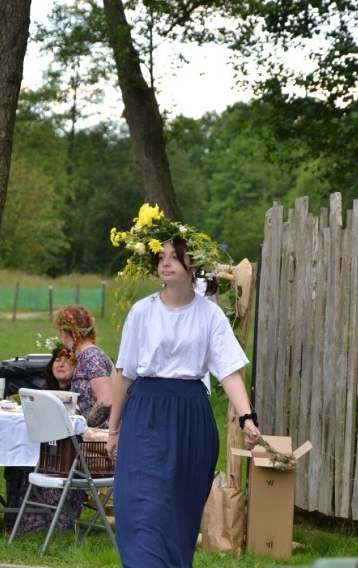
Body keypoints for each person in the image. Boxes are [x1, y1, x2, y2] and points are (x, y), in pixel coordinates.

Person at [107, 204, 261, 567]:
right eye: (161, 257)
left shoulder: (208, 314)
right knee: (141, 507)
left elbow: (229, 372)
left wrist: (247, 417)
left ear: (193, 265)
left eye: (175, 257)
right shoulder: (142, 312)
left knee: (177, 511)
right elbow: (124, 373)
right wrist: (113, 428)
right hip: (145, 414)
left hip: (191, 417)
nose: (166, 263)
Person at [4, 341, 81, 534]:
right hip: (40, 451)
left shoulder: (81, 395)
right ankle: (16, 517)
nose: (61, 363)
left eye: (67, 360)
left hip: (66, 456)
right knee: (20, 461)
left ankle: (45, 521)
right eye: (57, 359)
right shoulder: (42, 393)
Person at [54, 305, 113, 428]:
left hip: (101, 439)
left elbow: (106, 401)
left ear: (64, 332)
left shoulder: (91, 357)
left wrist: (83, 426)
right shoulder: (86, 356)